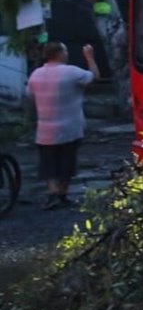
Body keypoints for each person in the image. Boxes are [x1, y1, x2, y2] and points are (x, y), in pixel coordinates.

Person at [25, 41, 99, 210]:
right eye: (65, 51)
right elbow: (94, 76)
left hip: (45, 130)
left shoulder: (36, 74)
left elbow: (29, 96)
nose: (67, 54)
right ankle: (62, 195)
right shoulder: (72, 72)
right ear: (59, 54)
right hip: (69, 129)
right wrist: (90, 58)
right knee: (66, 163)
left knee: (48, 164)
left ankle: (52, 195)